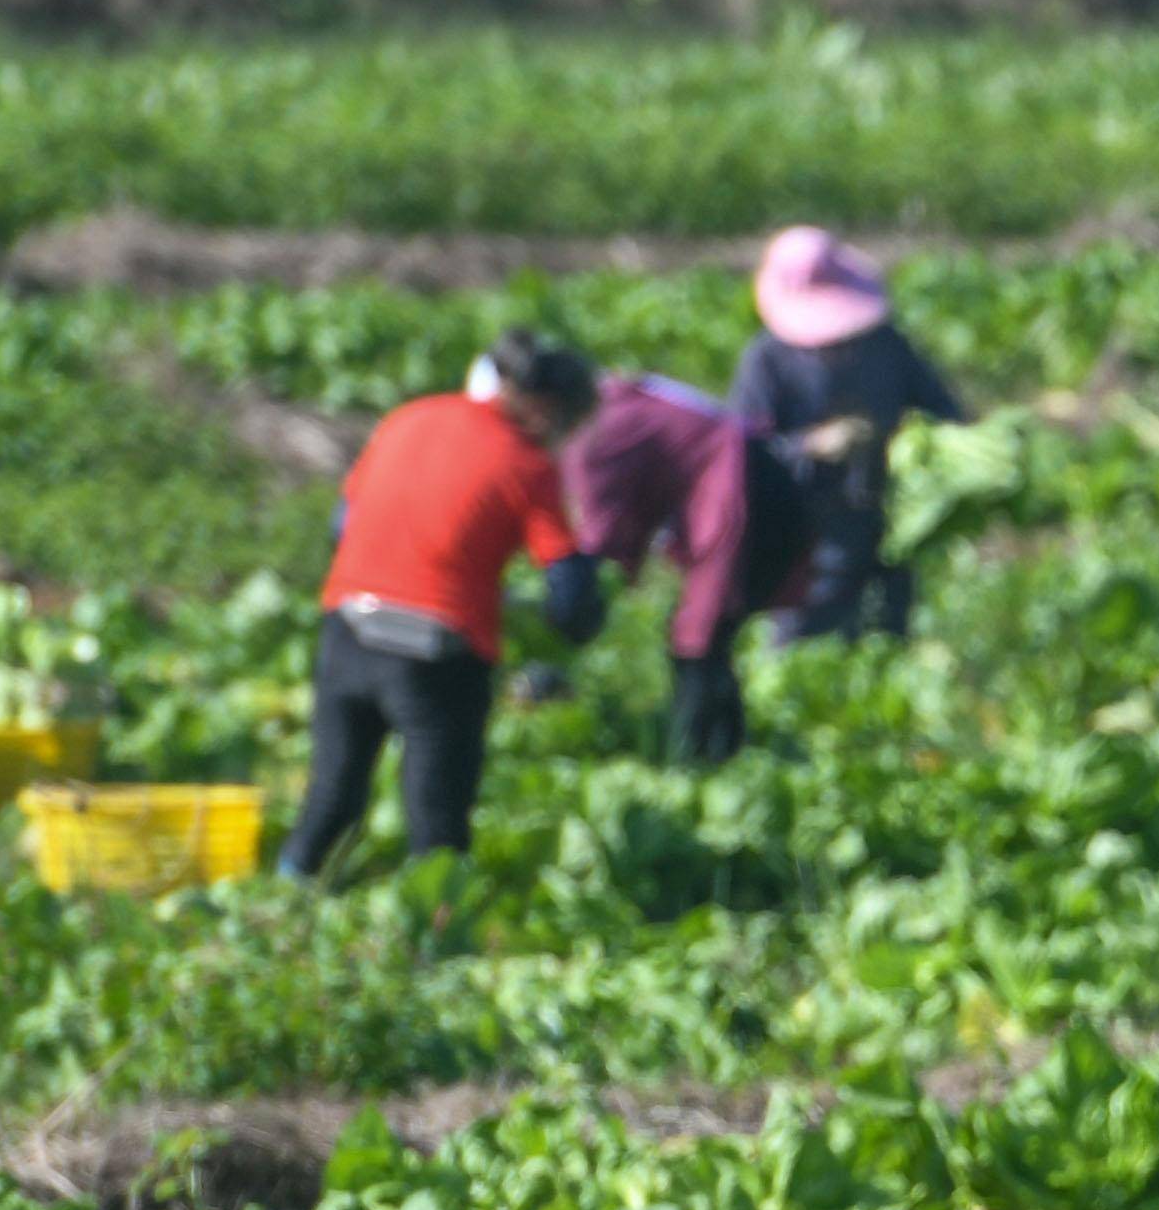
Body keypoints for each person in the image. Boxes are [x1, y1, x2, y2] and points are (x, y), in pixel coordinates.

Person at [283, 327, 607, 882]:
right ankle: (435, 940)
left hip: (346, 630)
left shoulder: (408, 417)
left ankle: (284, 900)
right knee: (436, 819)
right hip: (433, 655)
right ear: (547, 410)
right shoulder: (528, 467)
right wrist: (569, 627)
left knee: (333, 794)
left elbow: (344, 523)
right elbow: (569, 589)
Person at [563, 371, 817, 766]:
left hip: (748, 495)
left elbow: (603, 537)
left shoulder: (594, 433)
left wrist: (571, 614)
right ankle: (727, 758)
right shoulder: (613, 406)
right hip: (766, 483)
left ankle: (698, 764)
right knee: (707, 645)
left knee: (699, 642)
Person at [730, 226, 968, 645]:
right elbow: (742, 450)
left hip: (890, 518)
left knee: (888, 634)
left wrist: (923, 443)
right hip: (805, 530)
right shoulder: (767, 360)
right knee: (802, 639)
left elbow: (945, 412)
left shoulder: (886, 346)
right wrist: (812, 444)